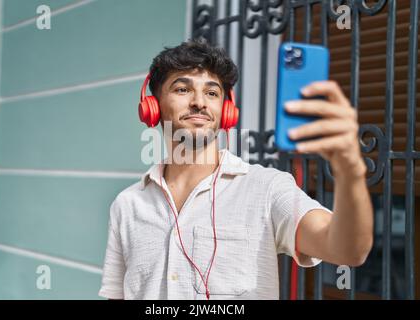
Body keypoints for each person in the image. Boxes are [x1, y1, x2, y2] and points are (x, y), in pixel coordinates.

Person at [98, 39, 373, 300]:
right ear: (153, 107)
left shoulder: (267, 188)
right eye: (182, 89)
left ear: (227, 110)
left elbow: (348, 250)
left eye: (212, 92)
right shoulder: (127, 204)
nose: (199, 102)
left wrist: (350, 170)